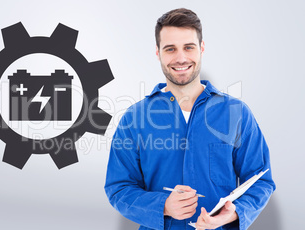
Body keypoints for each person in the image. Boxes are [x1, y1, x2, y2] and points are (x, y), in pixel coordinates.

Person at [104, 8, 276, 230]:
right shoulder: (134, 119)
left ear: (202, 48)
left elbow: (261, 180)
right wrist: (163, 206)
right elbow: (118, 188)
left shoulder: (236, 113)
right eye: (170, 49)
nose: (181, 58)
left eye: (188, 47)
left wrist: (233, 214)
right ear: (158, 52)